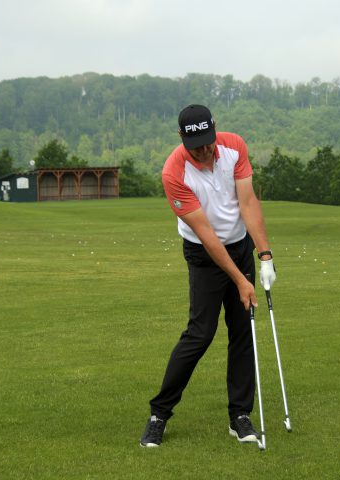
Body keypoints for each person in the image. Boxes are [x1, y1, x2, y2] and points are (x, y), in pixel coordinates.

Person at [140, 104, 276, 448]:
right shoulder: (173, 174)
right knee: (200, 334)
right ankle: (159, 414)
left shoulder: (234, 147)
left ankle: (240, 416)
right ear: (182, 139)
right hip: (204, 254)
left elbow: (247, 204)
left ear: (215, 130)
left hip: (240, 247)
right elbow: (208, 237)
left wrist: (265, 256)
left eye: (208, 142)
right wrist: (241, 280)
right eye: (195, 145)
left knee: (243, 329)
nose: (204, 151)